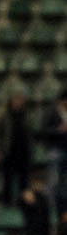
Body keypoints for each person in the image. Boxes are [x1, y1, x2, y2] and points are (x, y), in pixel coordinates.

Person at [0, 93, 33, 205]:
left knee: (23, 182)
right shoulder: (4, 117)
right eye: (16, 100)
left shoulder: (26, 117)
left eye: (20, 101)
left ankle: (23, 203)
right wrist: (0, 152)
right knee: (7, 180)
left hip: (23, 154)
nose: (18, 103)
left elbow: (30, 136)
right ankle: (6, 203)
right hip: (9, 153)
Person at [42, 89, 67, 221]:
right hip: (55, 151)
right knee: (54, 182)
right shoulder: (51, 111)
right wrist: (59, 130)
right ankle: (51, 210)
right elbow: (44, 130)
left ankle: (62, 211)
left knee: (63, 185)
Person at [21, 171, 52, 235]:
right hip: (32, 232)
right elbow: (22, 205)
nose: (39, 185)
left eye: (41, 183)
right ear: (32, 183)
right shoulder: (28, 196)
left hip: (44, 232)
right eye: (37, 183)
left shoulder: (44, 198)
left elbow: (46, 216)